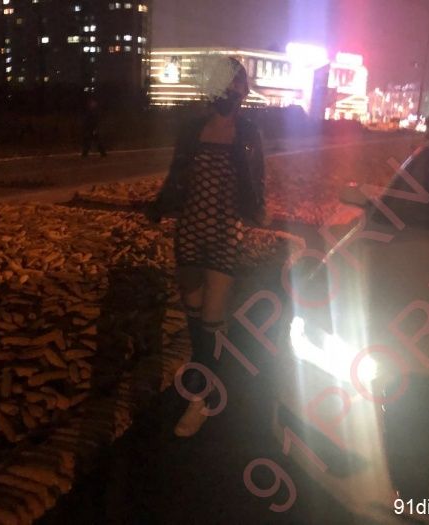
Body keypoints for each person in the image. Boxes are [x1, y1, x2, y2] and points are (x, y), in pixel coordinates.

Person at [145, 57, 267, 437]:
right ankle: (209, 370)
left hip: (225, 232)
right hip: (190, 230)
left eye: (236, 86)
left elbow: (257, 180)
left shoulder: (248, 133)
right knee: (196, 317)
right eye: (223, 85)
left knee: (211, 318)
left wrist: (258, 212)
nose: (229, 93)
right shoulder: (192, 130)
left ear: (243, 90)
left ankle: (200, 397)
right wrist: (159, 206)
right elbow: (176, 175)